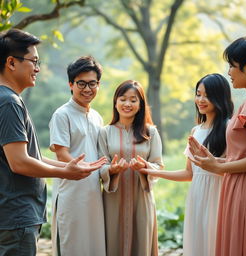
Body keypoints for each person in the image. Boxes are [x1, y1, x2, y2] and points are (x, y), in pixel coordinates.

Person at [0, 29, 106, 256]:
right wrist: (66, 173)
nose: (37, 68)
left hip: (15, 215)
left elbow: (31, 157)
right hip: (16, 216)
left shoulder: (9, 100)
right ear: (11, 62)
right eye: (33, 61)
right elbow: (19, 163)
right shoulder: (8, 103)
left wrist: (69, 168)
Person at [138, 74, 234, 256]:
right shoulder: (196, 131)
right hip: (197, 195)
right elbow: (189, 173)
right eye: (198, 94)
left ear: (220, 96)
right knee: (197, 243)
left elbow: (235, 168)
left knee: (215, 244)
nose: (200, 100)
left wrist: (216, 165)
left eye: (207, 95)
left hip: (220, 194)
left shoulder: (230, 128)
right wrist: (152, 171)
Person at [189, 35, 246, 256]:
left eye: (232, 66)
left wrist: (220, 167)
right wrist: (215, 161)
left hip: (245, 188)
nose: (229, 72)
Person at [97, 80, 164, 256]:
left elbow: (158, 165)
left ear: (140, 104)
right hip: (113, 201)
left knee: (141, 243)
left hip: (141, 198)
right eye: (123, 99)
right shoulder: (105, 132)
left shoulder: (151, 132)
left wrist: (145, 167)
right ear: (115, 102)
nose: (127, 104)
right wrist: (111, 170)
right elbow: (100, 165)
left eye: (133, 100)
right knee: (113, 243)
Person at [49, 56, 106, 256]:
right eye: (81, 83)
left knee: (93, 245)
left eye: (92, 83)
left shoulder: (97, 116)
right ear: (71, 84)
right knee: (71, 245)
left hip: (93, 192)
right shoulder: (62, 114)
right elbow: (61, 152)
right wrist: (82, 168)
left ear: (98, 85)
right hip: (71, 192)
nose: (87, 89)